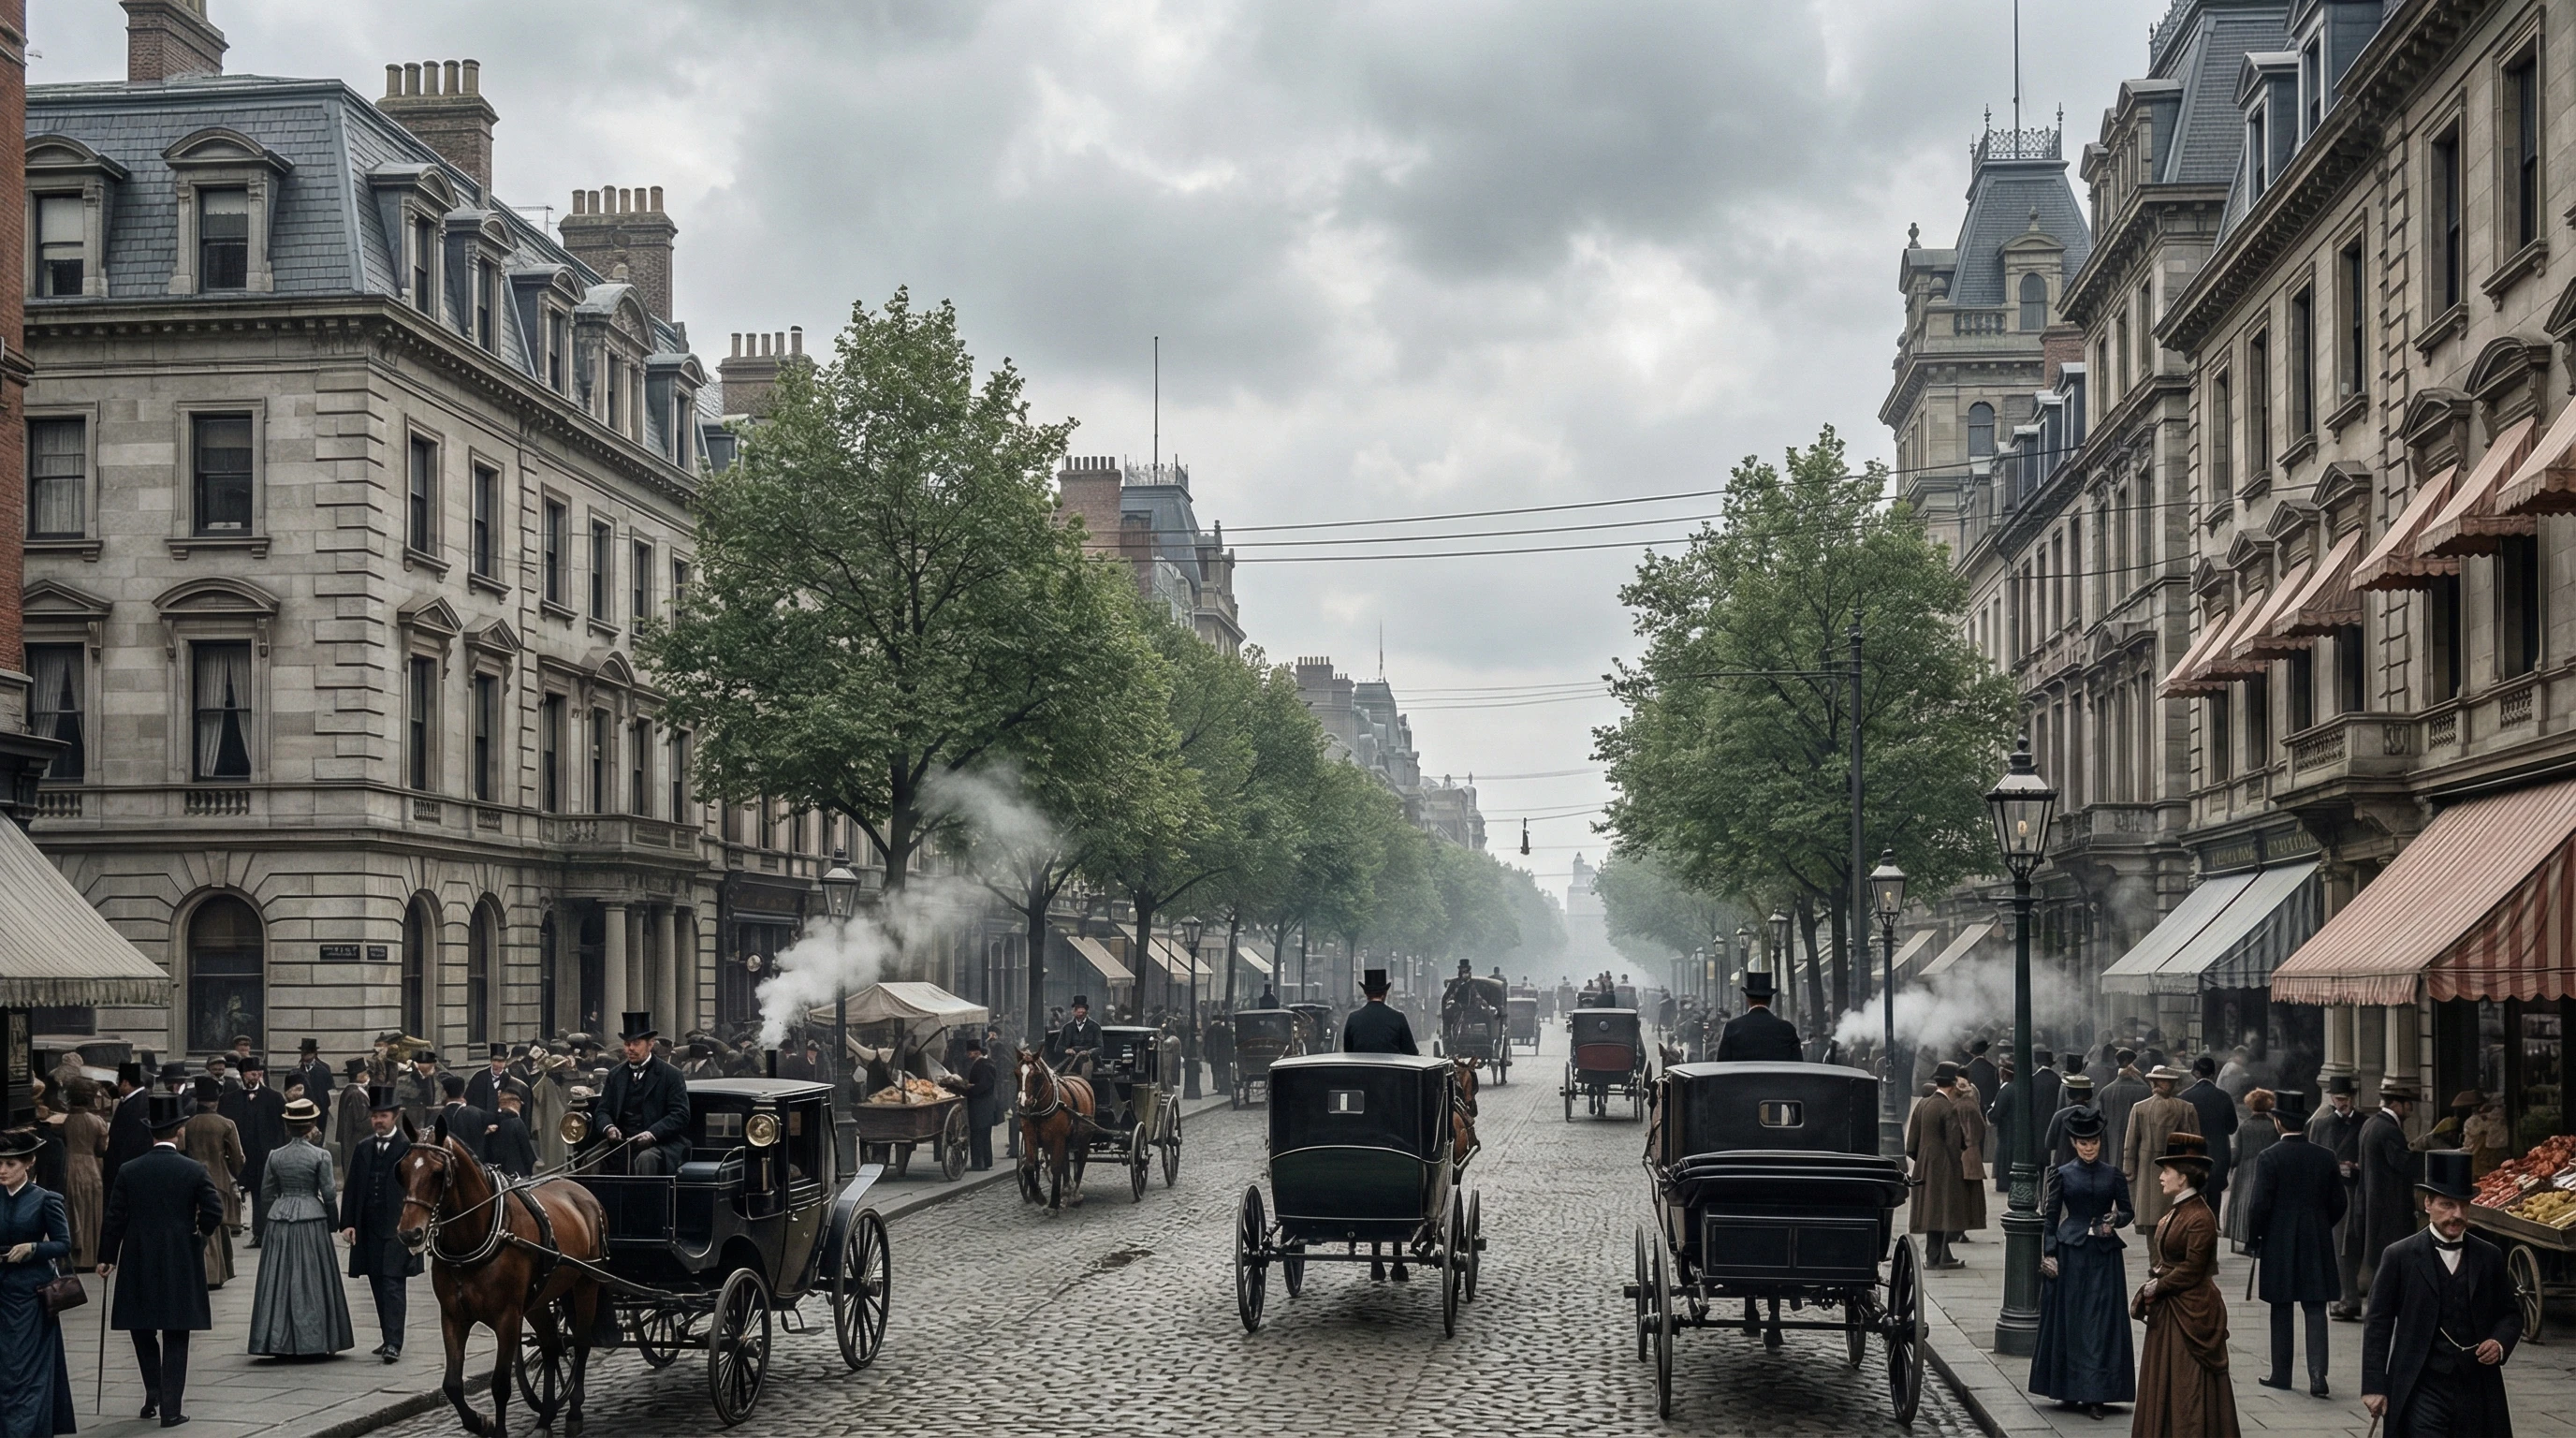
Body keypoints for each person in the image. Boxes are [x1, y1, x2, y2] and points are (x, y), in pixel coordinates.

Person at [2362, 1150, 2519, 1436]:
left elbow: (2510, 1314)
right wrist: (2374, 1386)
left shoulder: (2489, 1256)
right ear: (2428, 1204)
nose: (2456, 1215)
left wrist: (2499, 1342)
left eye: (2463, 1206)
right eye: (2447, 1205)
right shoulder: (2399, 1256)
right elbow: (2378, 1322)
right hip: (2420, 1384)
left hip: (2476, 1388)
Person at [97, 1092, 224, 1427]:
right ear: (178, 1131)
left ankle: (152, 1389)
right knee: (176, 1332)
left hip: (137, 1257)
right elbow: (214, 1210)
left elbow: (115, 1217)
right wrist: (199, 1234)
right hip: (179, 1257)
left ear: (152, 1133)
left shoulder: (129, 1169)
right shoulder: (193, 1169)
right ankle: (171, 1408)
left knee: (141, 1327)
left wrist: (106, 1257)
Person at [2130, 1131, 2239, 1438]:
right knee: (2168, 1380)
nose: (2162, 1177)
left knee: (2187, 1383)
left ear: (2184, 1177)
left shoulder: (2200, 1217)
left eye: (2167, 1171)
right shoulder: (2179, 1209)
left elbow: (2192, 1270)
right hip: (2174, 1309)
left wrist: (2156, 1287)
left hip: (2192, 1312)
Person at [2028, 1108, 2132, 1419]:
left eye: (2095, 1142)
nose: (2090, 1148)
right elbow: (2049, 1218)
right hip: (2071, 1254)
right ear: (2074, 1143)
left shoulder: (2113, 1175)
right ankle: (2070, 1389)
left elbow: (2127, 1211)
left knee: (2100, 1324)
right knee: (2072, 1322)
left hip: (2104, 1257)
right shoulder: (2062, 1174)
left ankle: (2097, 1393)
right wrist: (2048, 1254)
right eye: (2084, 1143)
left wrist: (2115, 1219)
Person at [2244, 1090, 2344, 1398]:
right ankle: (2317, 1375)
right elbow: (2339, 1202)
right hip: (2316, 1236)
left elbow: (2259, 1204)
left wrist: (2254, 1238)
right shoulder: (2326, 1157)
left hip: (2279, 1239)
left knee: (2281, 1307)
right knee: (2315, 1307)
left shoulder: (2269, 1157)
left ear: (2277, 1122)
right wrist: (2320, 1223)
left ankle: (2281, 1374)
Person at [246, 1099, 353, 1357]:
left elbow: (266, 1193)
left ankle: (276, 1339)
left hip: (280, 1218)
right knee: (314, 1277)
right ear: (313, 1125)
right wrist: (333, 1222)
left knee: (279, 1278)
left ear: (287, 1126)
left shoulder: (275, 1155)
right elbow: (329, 1194)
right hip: (311, 1217)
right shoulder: (320, 1155)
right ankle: (315, 1339)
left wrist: (270, 1221)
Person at [0, 1127, 74, 1438]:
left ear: (29, 1163)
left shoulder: (46, 1199)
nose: (2, 1170)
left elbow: (64, 1243)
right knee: (5, 1368)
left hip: (31, 1295)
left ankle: (28, 1429)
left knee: (26, 1367)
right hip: (2, 1291)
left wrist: (34, 1249)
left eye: (10, 1164)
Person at [339, 1085, 417, 1363]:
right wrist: (348, 1222)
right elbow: (352, 1187)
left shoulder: (408, 1148)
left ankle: (395, 1343)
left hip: (397, 1228)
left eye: (383, 1116)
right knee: (376, 1284)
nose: (378, 1121)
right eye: (374, 1116)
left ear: (395, 1116)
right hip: (369, 1227)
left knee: (393, 1284)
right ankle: (387, 1337)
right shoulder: (363, 1148)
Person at [1906, 1064, 1980, 1269]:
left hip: (1924, 1163)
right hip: (1945, 1165)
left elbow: (1911, 1145)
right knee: (1944, 1210)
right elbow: (1956, 1143)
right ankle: (1937, 1257)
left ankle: (1937, 1254)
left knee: (1933, 1211)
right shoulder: (1948, 1109)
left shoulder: (1922, 1105)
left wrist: (1923, 1158)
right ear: (1954, 1083)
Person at [598, 1013, 690, 1177]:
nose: (630, 1049)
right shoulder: (615, 1075)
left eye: (636, 1043)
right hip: (622, 1144)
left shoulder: (671, 1074)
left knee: (646, 1159)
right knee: (591, 1161)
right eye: (627, 1044)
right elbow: (603, 1110)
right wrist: (609, 1128)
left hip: (660, 1144)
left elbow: (680, 1114)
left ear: (650, 1044)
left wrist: (652, 1133)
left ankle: (645, 1202)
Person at [2354, 1079, 2422, 1298]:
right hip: (2390, 1207)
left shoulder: (2371, 1123)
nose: (2410, 1109)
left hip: (2373, 1203)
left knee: (2381, 1261)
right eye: (2408, 1104)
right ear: (2395, 1104)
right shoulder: (2389, 1130)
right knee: (2392, 1261)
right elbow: (2403, 1163)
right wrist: (2434, 1159)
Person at [2309, 1075, 2365, 1321]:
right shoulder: (2321, 1125)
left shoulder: (2365, 1123)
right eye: (2338, 1099)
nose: (2342, 1103)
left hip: (2354, 1190)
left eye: (2346, 1099)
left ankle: (2349, 1298)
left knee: (2348, 1246)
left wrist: (2356, 1166)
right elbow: (2312, 1157)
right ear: (2331, 1098)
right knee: (2332, 1247)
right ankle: (2341, 1297)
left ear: (2353, 1098)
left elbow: (2370, 1159)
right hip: (2329, 1191)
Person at [2121, 1065, 2202, 1236]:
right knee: (2176, 1218)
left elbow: (2130, 1143)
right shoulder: (2186, 1108)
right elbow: (2195, 1143)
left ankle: (2156, 1260)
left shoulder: (2139, 1108)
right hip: (2177, 1168)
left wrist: (2129, 1169)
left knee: (2152, 1220)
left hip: (2149, 1167)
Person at [176, 1080, 240, 1290]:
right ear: (216, 1100)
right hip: (219, 1178)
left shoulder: (187, 1125)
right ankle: (214, 1274)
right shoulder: (226, 1124)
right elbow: (238, 1157)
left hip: (192, 1177)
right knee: (217, 1227)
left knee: (201, 1224)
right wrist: (234, 1170)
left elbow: (182, 1151)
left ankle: (208, 1271)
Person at [229, 1060, 284, 1248]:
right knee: (245, 1193)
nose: (254, 1076)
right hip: (243, 1156)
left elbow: (282, 1128)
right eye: (250, 1073)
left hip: (267, 1156)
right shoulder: (230, 1099)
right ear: (243, 1075)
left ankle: (263, 1233)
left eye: (257, 1073)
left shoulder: (274, 1097)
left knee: (264, 1195)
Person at [2177, 1056, 2240, 1214]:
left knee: (2192, 1192)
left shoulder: (2184, 1097)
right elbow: (2232, 1127)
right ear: (2213, 1074)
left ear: (2195, 1073)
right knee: (2214, 1193)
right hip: (2218, 1154)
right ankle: (2213, 1224)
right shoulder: (2224, 1097)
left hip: (2192, 1153)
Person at [2223, 1088, 2279, 1251]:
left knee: (2244, 1202)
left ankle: (2247, 1238)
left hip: (2245, 1169)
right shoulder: (2273, 1127)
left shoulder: (2245, 1126)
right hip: (2266, 1168)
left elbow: (2237, 1153)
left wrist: (2231, 1165)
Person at [59, 1086, 105, 1271]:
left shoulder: (64, 1121)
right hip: (91, 1165)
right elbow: (101, 1149)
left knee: (72, 1209)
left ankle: (73, 1256)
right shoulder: (97, 1122)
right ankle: (90, 1256)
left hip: (70, 1165)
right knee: (92, 1210)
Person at [1711, 969, 1801, 1062]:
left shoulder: (1732, 1027)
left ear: (1748, 999)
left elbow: (1722, 1065)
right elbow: (1798, 1066)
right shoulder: (1787, 1029)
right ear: (1770, 999)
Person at [102, 1064, 149, 1205]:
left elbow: (130, 1141)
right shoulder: (136, 1100)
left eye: (118, 1082)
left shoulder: (137, 1103)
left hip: (126, 1169)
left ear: (126, 1083)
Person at [1341, 971, 1418, 1055]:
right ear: (1384, 994)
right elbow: (1412, 1052)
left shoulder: (1353, 1018)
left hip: (1361, 1068)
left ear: (1366, 994)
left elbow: (1348, 1052)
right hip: (1390, 1068)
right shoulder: (1398, 1017)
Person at [2042, 1073, 2100, 1167]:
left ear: (2069, 1094)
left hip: (2063, 1165)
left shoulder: (2059, 1115)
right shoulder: (2095, 1115)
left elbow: (2049, 1144)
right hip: (2090, 1165)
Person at [959, 1038, 999, 1172]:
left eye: (970, 1053)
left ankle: (978, 1163)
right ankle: (986, 1161)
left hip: (981, 1105)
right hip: (984, 1105)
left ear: (976, 1053)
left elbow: (985, 1085)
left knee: (977, 1134)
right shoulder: (985, 1063)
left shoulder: (984, 1064)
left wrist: (969, 1088)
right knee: (985, 1135)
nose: (968, 1056)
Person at [484, 1083, 537, 1181]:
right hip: (517, 1175)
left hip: (496, 1176)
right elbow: (527, 1152)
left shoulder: (491, 1123)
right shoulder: (517, 1123)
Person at [432, 1073, 490, 1161]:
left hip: (447, 1164)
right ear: (462, 1093)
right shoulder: (475, 1112)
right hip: (474, 1166)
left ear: (445, 1093)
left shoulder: (435, 1116)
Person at [329, 1058, 371, 1170]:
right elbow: (362, 1122)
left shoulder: (350, 1090)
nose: (368, 1076)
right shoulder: (356, 1094)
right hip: (356, 1140)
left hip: (351, 1138)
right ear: (359, 1076)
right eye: (366, 1073)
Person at [393, 1050, 440, 1135]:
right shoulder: (403, 1081)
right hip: (411, 1123)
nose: (432, 1065)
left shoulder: (437, 1080)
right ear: (417, 1064)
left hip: (431, 1123)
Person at [288, 1040, 332, 1111]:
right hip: (302, 1108)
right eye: (302, 1051)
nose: (303, 1054)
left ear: (314, 1053)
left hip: (320, 1109)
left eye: (307, 1052)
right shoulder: (296, 1071)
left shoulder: (324, 1069)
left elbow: (329, 1090)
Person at [463, 1046, 508, 1113]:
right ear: (491, 1061)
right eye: (495, 1060)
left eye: (500, 1061)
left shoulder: (510, 1080)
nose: (497, 1064)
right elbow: (468, 1100)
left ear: (505, 1062)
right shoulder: (478, 1077)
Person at [1965, 1038, 2000, 1115]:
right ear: (1985, 1053)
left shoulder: (1966, 1069)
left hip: (1971, 1108)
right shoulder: (1993, 1069)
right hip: (1987, 1109)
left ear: (1973, 1054)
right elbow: (1997, 1091)